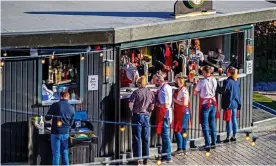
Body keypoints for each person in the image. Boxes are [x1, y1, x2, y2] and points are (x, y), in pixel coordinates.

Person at [128, 76, 155, 165]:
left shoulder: (136, 92)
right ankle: (145, 158)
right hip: (146, 116)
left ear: (140, 83)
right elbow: (152, 106)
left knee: (137, 138)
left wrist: (132, 110)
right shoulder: (150, 93)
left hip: (137, 116)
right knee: (146, 138)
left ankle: (137, 159)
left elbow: (130, 105)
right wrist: (148, 111)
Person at [194, 66, 220, 151]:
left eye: (203, 72)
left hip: (206, 104)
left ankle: (207, 144)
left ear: (205, 72)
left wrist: (196, 83)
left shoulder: (202, 82)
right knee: (212, 124)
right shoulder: (214, 80)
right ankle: (214, 142)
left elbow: (195, 92)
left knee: (204, 125)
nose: (202, 73)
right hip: (213, 102)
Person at [45, 91, 75, 166]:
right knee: (65, 153)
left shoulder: (55, 105)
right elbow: (72, 123)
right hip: (65, 133)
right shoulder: (72, 108)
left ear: (61, 97)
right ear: (68, 97)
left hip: (56, 132)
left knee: (56, 155)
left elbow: (47, 118)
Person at [217, 66, 241, 142]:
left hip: (229, 103)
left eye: (227, 71)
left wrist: (217, 85)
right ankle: (234, 136)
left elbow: (223, 91)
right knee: (234, 119)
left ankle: (228, 137)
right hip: (235, 103)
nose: (226, 72)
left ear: (230, 73)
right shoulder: (237, 80)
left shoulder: (227, 81)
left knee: (228, 120)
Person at [154, 73, 173, 163]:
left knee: (165, 135)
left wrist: (156, 104)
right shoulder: (166, 86)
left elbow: (164, 104)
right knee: (164, 134)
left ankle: (168, 156)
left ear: (159, 80)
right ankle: (165, 154)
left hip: (164, 113)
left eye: (154, 80)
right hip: (165, 113)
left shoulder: (163, 89)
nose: (153, 82)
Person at [172, 74, 190, 156]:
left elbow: (185, 103)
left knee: (178, 130)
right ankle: (183, 148)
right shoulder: (179, 89)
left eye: (177, 81)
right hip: (179, 112)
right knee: (183, 130)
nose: (176, 82)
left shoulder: (184, 91)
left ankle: (180, 147)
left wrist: (175, 101)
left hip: (182, 112)